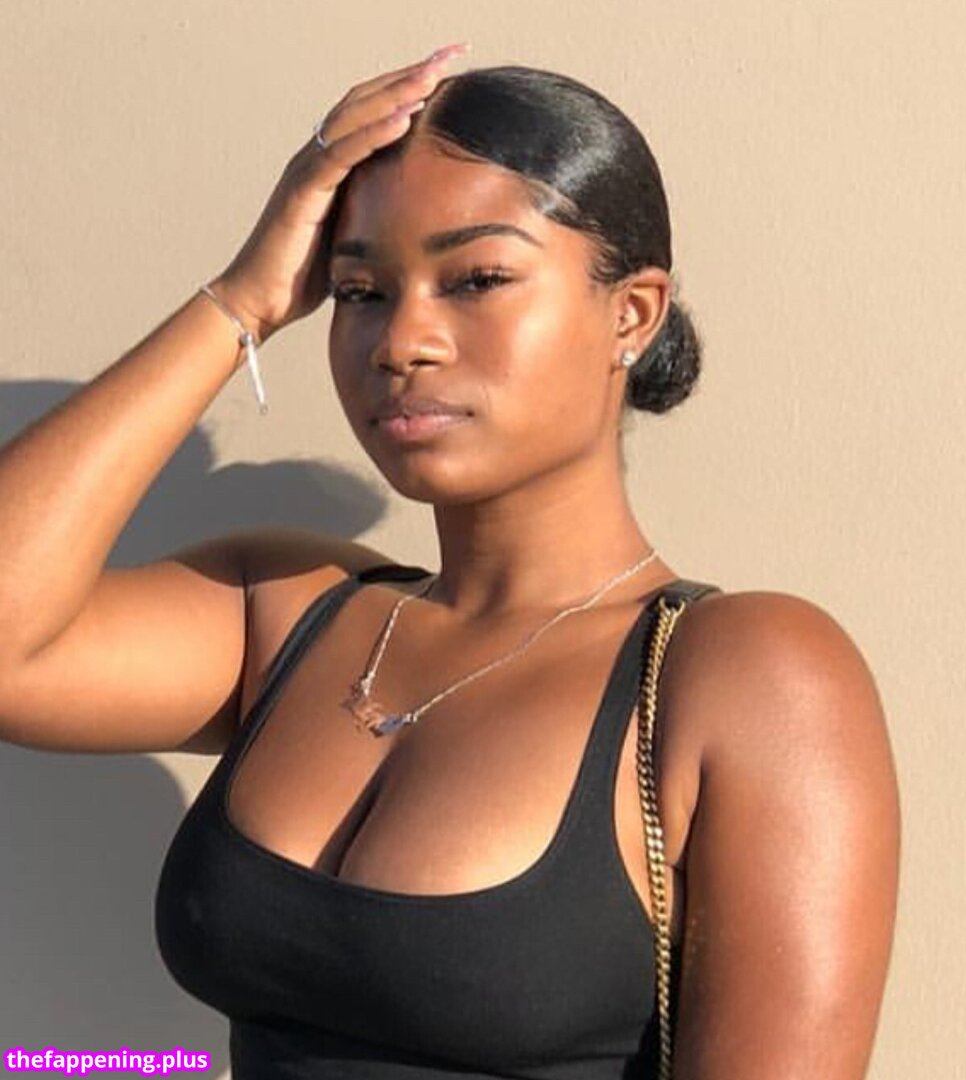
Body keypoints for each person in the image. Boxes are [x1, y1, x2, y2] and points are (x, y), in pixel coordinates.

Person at [0, 42, 900, 1080]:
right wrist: (244, 301)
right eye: (360, 290)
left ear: (631, 314)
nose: (402, 342)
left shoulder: (745, 674)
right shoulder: (286, 615)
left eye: (476, 279)